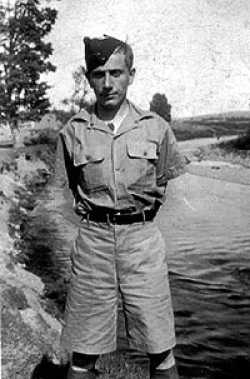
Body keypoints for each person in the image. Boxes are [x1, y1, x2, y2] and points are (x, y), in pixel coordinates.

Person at [56, 35, 186, 379]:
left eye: (117, 72)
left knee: (161, 350)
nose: (108, 83)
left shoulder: (156, 128)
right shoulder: (73, 132)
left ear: (132, 74)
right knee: (82, 352)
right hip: (93, 244)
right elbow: (66, 191)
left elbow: (162, 182)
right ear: (89, 78)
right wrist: (97, 223)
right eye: (99, 74)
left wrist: (135, 222)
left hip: (142, 242)